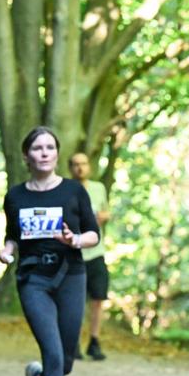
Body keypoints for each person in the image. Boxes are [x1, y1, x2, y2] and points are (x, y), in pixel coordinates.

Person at [0, 127, 100, 376]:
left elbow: (94, 235)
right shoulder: (15, 196)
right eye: (37, 148)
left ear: (57, 153)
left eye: (50, 147)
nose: (44, 153)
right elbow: (12, 235)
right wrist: (6, 251)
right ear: (26, 155)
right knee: (53, 355)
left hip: (71, 276)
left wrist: (75, 240)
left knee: (65, 363)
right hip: (33, 280)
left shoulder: (74, 191)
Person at [68, 152, 110, 361]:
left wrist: (102, 217)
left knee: (98, 299)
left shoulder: (98, 188)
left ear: (89, 166)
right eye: (76, 164)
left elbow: (106, 212)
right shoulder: (65, 189)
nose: (80, 168)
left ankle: (94, 341)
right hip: (74, 254)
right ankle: (73, 342)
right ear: (70, 168)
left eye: (83, 164)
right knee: (74, 302)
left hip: (96, 253)